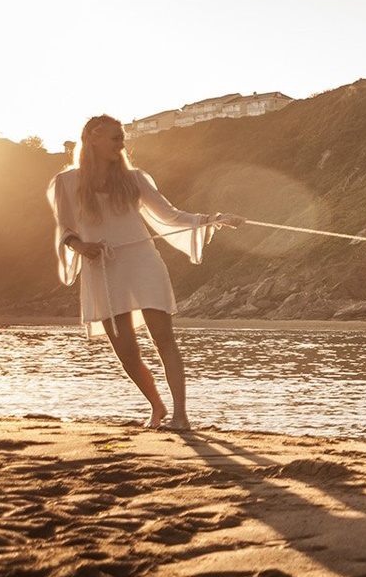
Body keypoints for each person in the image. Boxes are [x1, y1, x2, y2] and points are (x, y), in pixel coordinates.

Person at [46, 114, 243, 430]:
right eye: (115, 138)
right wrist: (81, 246)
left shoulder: (134, 179)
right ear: (93, 137)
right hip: (102, 269)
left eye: (122, 139)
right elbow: (66, 229)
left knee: (164, 339)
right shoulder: (66, 183)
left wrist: (214, 219)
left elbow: (171, 215)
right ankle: (157, 407)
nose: (121, 145)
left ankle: (181, 416)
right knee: (126, 352)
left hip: (143, 263)